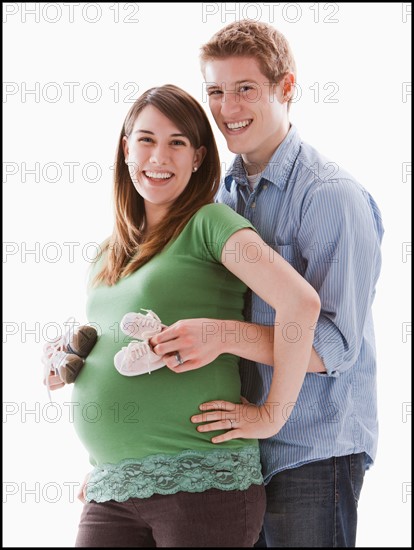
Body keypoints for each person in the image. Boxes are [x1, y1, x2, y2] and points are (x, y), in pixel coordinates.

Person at [46, 83, 320, 548]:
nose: (160, 156)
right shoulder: (106, 255)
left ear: (197, 158)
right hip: (113, 487)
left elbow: (301, 304)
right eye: (147, 139)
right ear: (126, 148)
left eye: (177, 143)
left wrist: (273, 416)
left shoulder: (209, 223)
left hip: (202, 485)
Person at [149, 21, 384, 548]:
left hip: (312, 448)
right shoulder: (223, 198)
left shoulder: (331, 196)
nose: (227, 107)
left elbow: (335, 345)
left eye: (245, 89)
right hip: (242, 451)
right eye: (216, 91)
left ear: (287, 88)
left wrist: (226, 336)